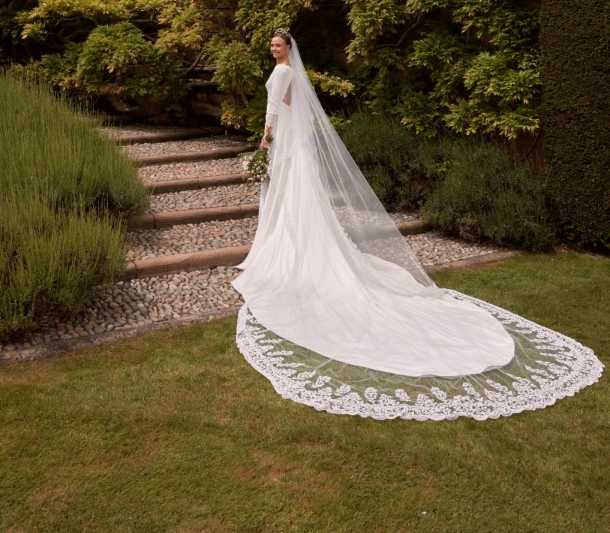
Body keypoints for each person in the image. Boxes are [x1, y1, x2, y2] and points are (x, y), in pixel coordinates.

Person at [232, 30, 602, 420]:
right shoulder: (290, 73)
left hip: (285, 141)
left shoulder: (280, 73)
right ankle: (295, 246)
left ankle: (289, 253)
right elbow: (291, 103)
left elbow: (276, 108)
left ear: (289, 46)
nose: (273, 49)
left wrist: (265, 138)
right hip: (297, 143)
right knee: (298, 198)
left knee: (291, 197)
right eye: (271, 46)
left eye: (278, 45)